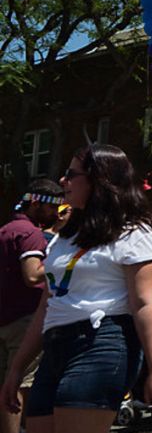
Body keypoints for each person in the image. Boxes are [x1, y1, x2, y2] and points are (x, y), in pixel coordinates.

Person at [1, 144, 152, 433]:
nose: (62, 182)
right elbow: (47, 305)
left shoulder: (134, 232)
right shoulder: (64, 238)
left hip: (103, 342)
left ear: (100, 180)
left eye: (71, 175)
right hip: (55, 346)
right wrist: (16, 369)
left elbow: (144, 304)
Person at [0, 179, 61, 433]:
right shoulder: (31, 234)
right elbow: (33, 275)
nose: (54, 214)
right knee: (21, 385)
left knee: (6, 383)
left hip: (5, 317)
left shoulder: (6, 229)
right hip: (25, 320)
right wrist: (64, 260)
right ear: (36, 203)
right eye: (52, 208)